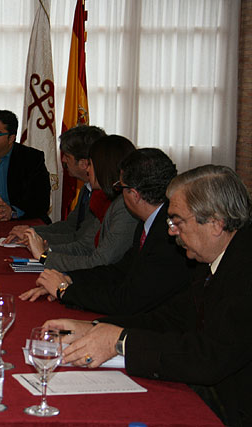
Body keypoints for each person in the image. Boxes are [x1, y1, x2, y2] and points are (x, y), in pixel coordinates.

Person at [44, 165, 252, 426]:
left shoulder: (245, 271)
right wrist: (95, 328)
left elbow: (209, 357)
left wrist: (121, 341)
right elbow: (171, 318)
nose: (171, 231)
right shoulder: (211, 258)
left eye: (178, 222)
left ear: (215, 223)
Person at [21, 148, 197, 315]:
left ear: (134, 194)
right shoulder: (151, 221)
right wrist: (68, 279)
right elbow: (118, 271)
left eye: (121, 187)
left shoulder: (170, 235)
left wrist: (65, 291)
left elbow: (129, 300)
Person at [14, 135, 139, 271]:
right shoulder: (106, 200)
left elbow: (99, 262)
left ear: (104, 168)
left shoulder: (123, 207)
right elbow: (85, 246)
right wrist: (47, 249)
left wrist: (44, 256)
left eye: (91, 165)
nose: (87, 170)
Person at [4, 125, 107, 246]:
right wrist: (31, 231)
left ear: (83, 164)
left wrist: (34, 237)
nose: (63, 160)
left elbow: (79, 239)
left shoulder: (104, 196)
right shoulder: (87, 188)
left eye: (67, 156)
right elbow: (69, 226)